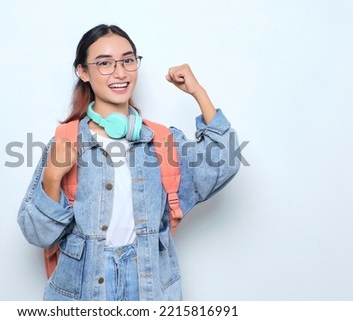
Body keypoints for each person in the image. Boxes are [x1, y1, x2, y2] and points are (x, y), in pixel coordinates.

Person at [18, 24, 240, 301]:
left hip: (149, 285)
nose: (120, 72)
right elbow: (37, 235)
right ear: (83, 72)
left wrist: (199, 93)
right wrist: (52, 177)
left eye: (127, 60)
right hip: (82, 290)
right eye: (104, 63)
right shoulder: (66, 141)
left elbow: (225, 161)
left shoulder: (161, 140)